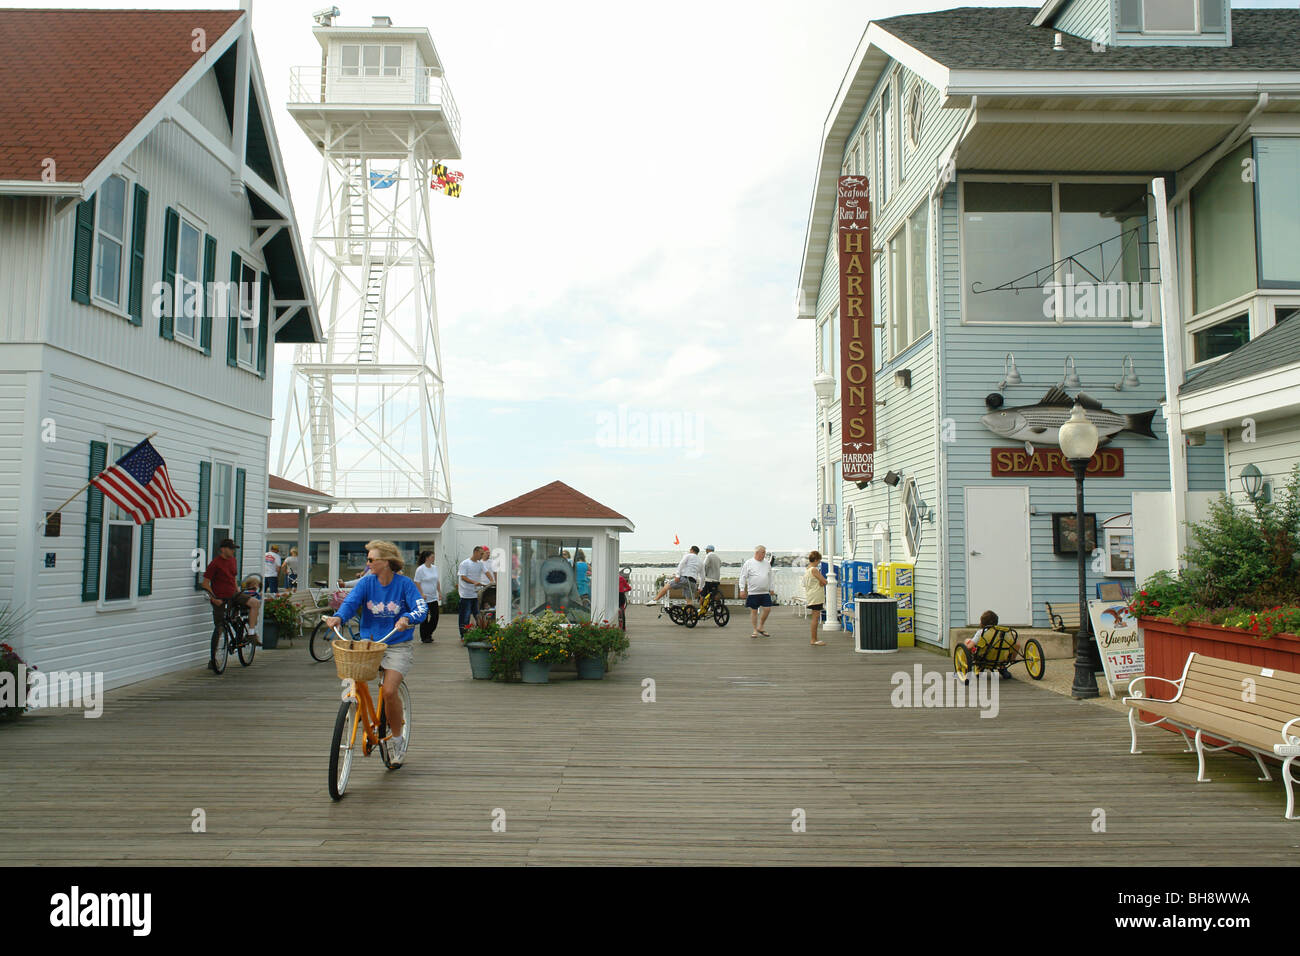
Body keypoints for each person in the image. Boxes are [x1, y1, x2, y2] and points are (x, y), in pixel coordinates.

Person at [323, 540, 427, 767]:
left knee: (389, 691)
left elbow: (421, 607)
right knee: (354, 682)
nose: (367, 563)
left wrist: (408, 618)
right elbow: (350, 603)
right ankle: (359, 715)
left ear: (386, 562)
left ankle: (397, 740)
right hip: (369, 644)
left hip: (397, 644)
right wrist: (339, 617)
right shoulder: (366, 583)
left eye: (371, 559)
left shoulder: (405, 584)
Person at [201, 538, 262, 646]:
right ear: (223, 549)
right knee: (219, 627)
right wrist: (214, 598)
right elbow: (205, 583)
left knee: (255, 603)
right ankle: (214, 659)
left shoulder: (233, 560)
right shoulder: (215, 564)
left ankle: (251, 634)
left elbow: (233, 576)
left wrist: (237, 590)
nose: (233, 551)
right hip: (219, 597)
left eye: (234, 549)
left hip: (233, 594)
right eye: (231, 549)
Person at [738, 544, 775, 638]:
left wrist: (772, 588)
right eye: (763, 553)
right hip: (753, 592)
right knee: (754, 611)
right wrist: (742, 589)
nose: (764, 555)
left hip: (764, 592)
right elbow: (743, 576)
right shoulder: (749, 563)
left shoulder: (767, 563)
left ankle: (761, 626)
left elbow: (770, 576)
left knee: (767, 609)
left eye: (765, 553)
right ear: (757, 553)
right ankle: (755, 630)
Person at [457, 546, 489, 639]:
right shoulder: (465, 563)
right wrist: (474, 582)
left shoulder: (480, 564)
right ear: (475, 552)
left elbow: (487, 572)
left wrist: (492, 581)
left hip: (476, 594)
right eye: (481, 553)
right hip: (466, 594)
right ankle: (464, 635)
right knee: (465, 616)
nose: (482, 555)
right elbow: (463, 577)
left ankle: (481, 633)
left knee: (478, 615)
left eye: (483, 553)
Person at [414, 550, 442, 643]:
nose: (433, 558)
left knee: (435, 617)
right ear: (427, 558)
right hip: (424, 597)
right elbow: (417, 582)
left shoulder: (434, 568)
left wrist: (439, 592)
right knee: (424, 618)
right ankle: (424, 637)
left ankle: (428, 633)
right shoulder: (420, 569)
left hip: (433, 597)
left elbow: (437, 581)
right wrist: (421, 593)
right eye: (432, 557)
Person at [803, 551, 827, 646]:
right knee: (815, 618)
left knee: (815, 617)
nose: (819, 563)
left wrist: (821, 582)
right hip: (816, 596)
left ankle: (814, 638)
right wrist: (822, 582)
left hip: (811, 595)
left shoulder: (808, 569)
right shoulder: (814, 569)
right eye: (819, 561)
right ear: (816, 560)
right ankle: (814, 639)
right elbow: (824, 581)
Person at [697, 544, 722, 611]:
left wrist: (703, 574)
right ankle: (718, 607)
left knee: (703, 594)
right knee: (715, 593)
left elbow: (704, 565)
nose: (706, 551)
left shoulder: (708, 555)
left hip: (709, 579)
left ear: (708, 550)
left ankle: (701, 609)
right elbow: (720, 565)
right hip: (716, 579)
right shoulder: (717, 557)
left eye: (706, 550)